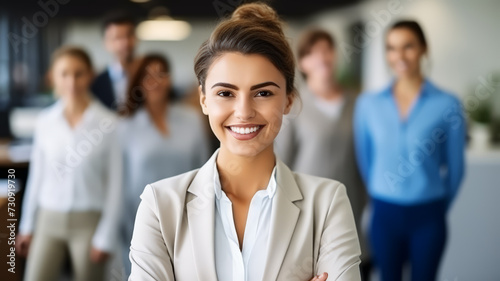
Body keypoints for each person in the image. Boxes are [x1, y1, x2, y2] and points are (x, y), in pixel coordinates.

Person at [128, 3, 361, 281]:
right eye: (226, 93)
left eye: (263, 93)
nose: (244, 111)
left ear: (288, 100)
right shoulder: (160, 204)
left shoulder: (327, 202)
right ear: (204, 100)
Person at [354, 20, 466, 281]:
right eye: (391, 48)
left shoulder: (447, 104)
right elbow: (365, 159)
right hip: (384, 214)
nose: (399, 56)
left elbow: (456, 168)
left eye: (408, 47)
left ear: (423, 49)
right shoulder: (368, 104)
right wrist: (382, 190)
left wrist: (436, 206)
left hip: (428, 216)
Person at [16, 46, 122, 281]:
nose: (72, 81)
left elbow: (117, 185)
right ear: (52, 77)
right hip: (48, 218)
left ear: (91, 75)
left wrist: (106, 236)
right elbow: (37, 177)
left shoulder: (109, 123)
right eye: (64, 74)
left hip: (89, 221)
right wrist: (26, 226)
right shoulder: (45, 121)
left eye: (79, 73)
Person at [275, 28, 370, 279]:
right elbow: (282, 161)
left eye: (327, 50)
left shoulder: (359, 103)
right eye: (313, 53)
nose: (322, 57)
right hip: (308, 208)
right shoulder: (293, 105)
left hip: (354, 204)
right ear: (303, 63)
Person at [118, 54, 210, 277]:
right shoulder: (125, 127)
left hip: (188, 217)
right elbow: (119, 182)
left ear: (170, 79)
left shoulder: (192, 119)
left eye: (161, 74)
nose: (155, 80)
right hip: (141, 219)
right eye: (148, 76)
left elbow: (205, 169)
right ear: (138, 83)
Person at [91, 12, 137, 110]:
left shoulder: (151, 78)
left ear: (136, 38)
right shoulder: (95, 84)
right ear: (106, 43)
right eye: (118, 37)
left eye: (129, 35)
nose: (125, 42)